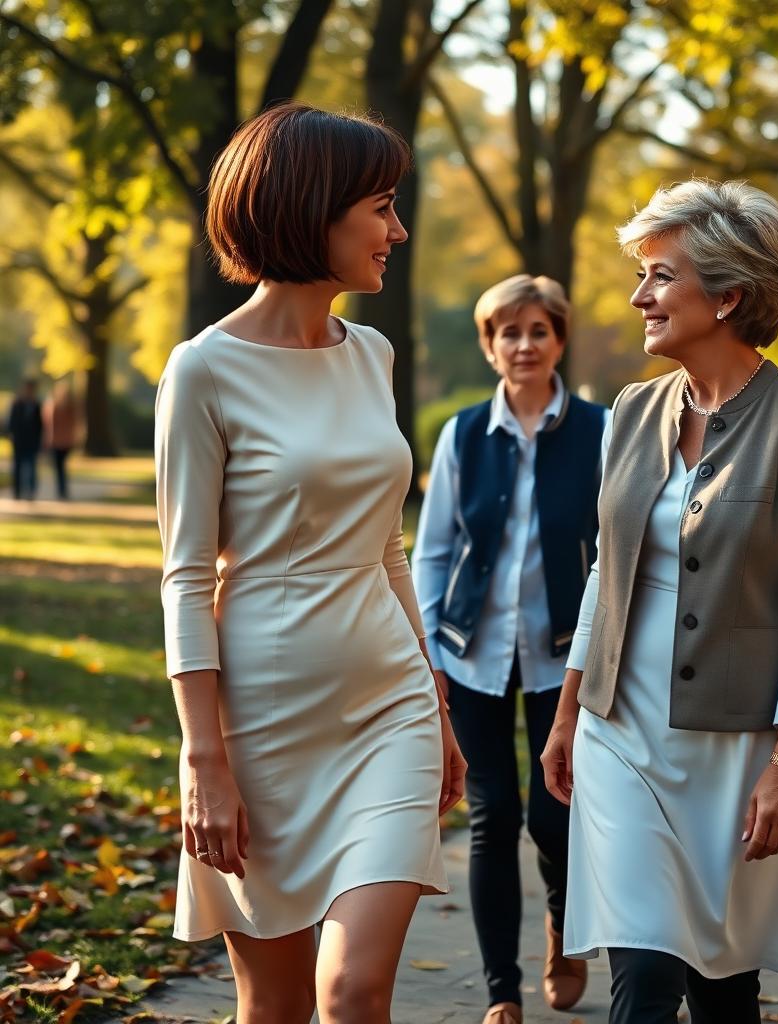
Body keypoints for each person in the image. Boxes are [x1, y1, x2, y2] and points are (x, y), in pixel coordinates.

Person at [154, 102, 465, 1024]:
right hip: (260, 730)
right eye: (380, 207)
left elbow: (387, 547)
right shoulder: (202, 370)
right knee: (276, 1003)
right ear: (309, 209)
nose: (397, 231)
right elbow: (182, 575)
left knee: (353, 990)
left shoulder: (372, 353)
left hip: (389, 711)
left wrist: (435, 695)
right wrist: (204, 760)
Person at [540, 179, 778, 1024]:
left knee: (725, 988)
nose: (639, 296)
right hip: (622, 742)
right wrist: (570, 712)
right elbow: (608, 574)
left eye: (659, 276)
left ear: (727, 295)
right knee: (643, 978)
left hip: (740, 754)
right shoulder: (631, 414)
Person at [412, 275, 606, 1024]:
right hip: (473, 658)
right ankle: (502, 991)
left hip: (564, 660)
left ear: (559, 340)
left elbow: (618, 552)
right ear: (490, 346)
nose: (524, 345)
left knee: (553, 817)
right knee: (493, 817)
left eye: (538, 331)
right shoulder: (461, 434)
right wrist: (431, 650)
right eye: (508, 333)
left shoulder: (602, 429)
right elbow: (432, 552)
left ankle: (564, 928)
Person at [7, 378, 42, 500]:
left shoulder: (36, 405)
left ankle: (30, 491)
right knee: (18, 467)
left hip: (32, 441)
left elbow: (40, 425)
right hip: (19, 441)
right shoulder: (17, 404)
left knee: (31, 467)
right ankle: (17, 492)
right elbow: (11, 422)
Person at [42, 380, 77, 500]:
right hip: (66, 441)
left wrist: (48, 439)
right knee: (62, 467)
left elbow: (49, 423)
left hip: (57, 441)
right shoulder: (70, 406)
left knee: (59, 467)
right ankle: (63, 490)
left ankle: (61, 490)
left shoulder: (53, 405)